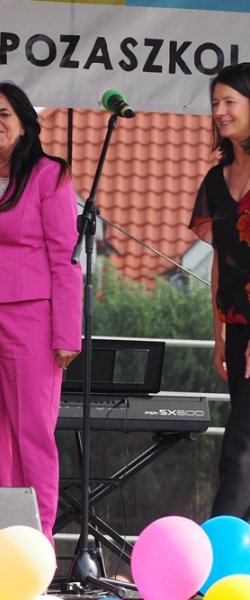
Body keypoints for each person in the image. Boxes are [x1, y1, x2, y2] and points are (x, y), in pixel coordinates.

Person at [0, 81, 83, 541]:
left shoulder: (49, 175)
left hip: (33, 321)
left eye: (4, 113)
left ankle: (37, 542)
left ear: (24, 123)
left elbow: (65, 258)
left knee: (32, 434)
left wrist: (67, 333)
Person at [190, 62, 250, 520]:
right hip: (238, 326)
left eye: (230, 101)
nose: (220, 111)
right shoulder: (216, 179)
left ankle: (221, 549)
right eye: (215, 103)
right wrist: (219, 335)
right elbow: (218, 260)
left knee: (240, 448)